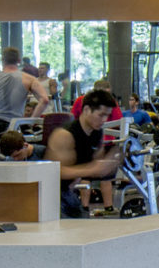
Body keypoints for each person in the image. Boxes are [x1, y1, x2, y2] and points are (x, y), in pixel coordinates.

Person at [46, 89, 125, 218]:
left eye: (107, 115)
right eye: (101, 115)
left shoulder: (96, 132)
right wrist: (94, 169)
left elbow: (94, 163)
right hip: (49, 196)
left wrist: (111, 162)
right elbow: (57, 172)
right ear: (87, 110)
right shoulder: (65, 135)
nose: (104, 120)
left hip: (67, 193)